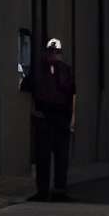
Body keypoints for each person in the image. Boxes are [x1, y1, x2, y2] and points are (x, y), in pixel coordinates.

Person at [21, 36, 76, 201]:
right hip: (48, 118)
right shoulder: (48, 70)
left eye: (55, 52)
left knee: (56, 156)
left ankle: (54, 190)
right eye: (52, 52)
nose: (53, 55)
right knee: (47, 156)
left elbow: (72, 94)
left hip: (55, 118)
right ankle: (49, 190)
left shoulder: (62, 70)